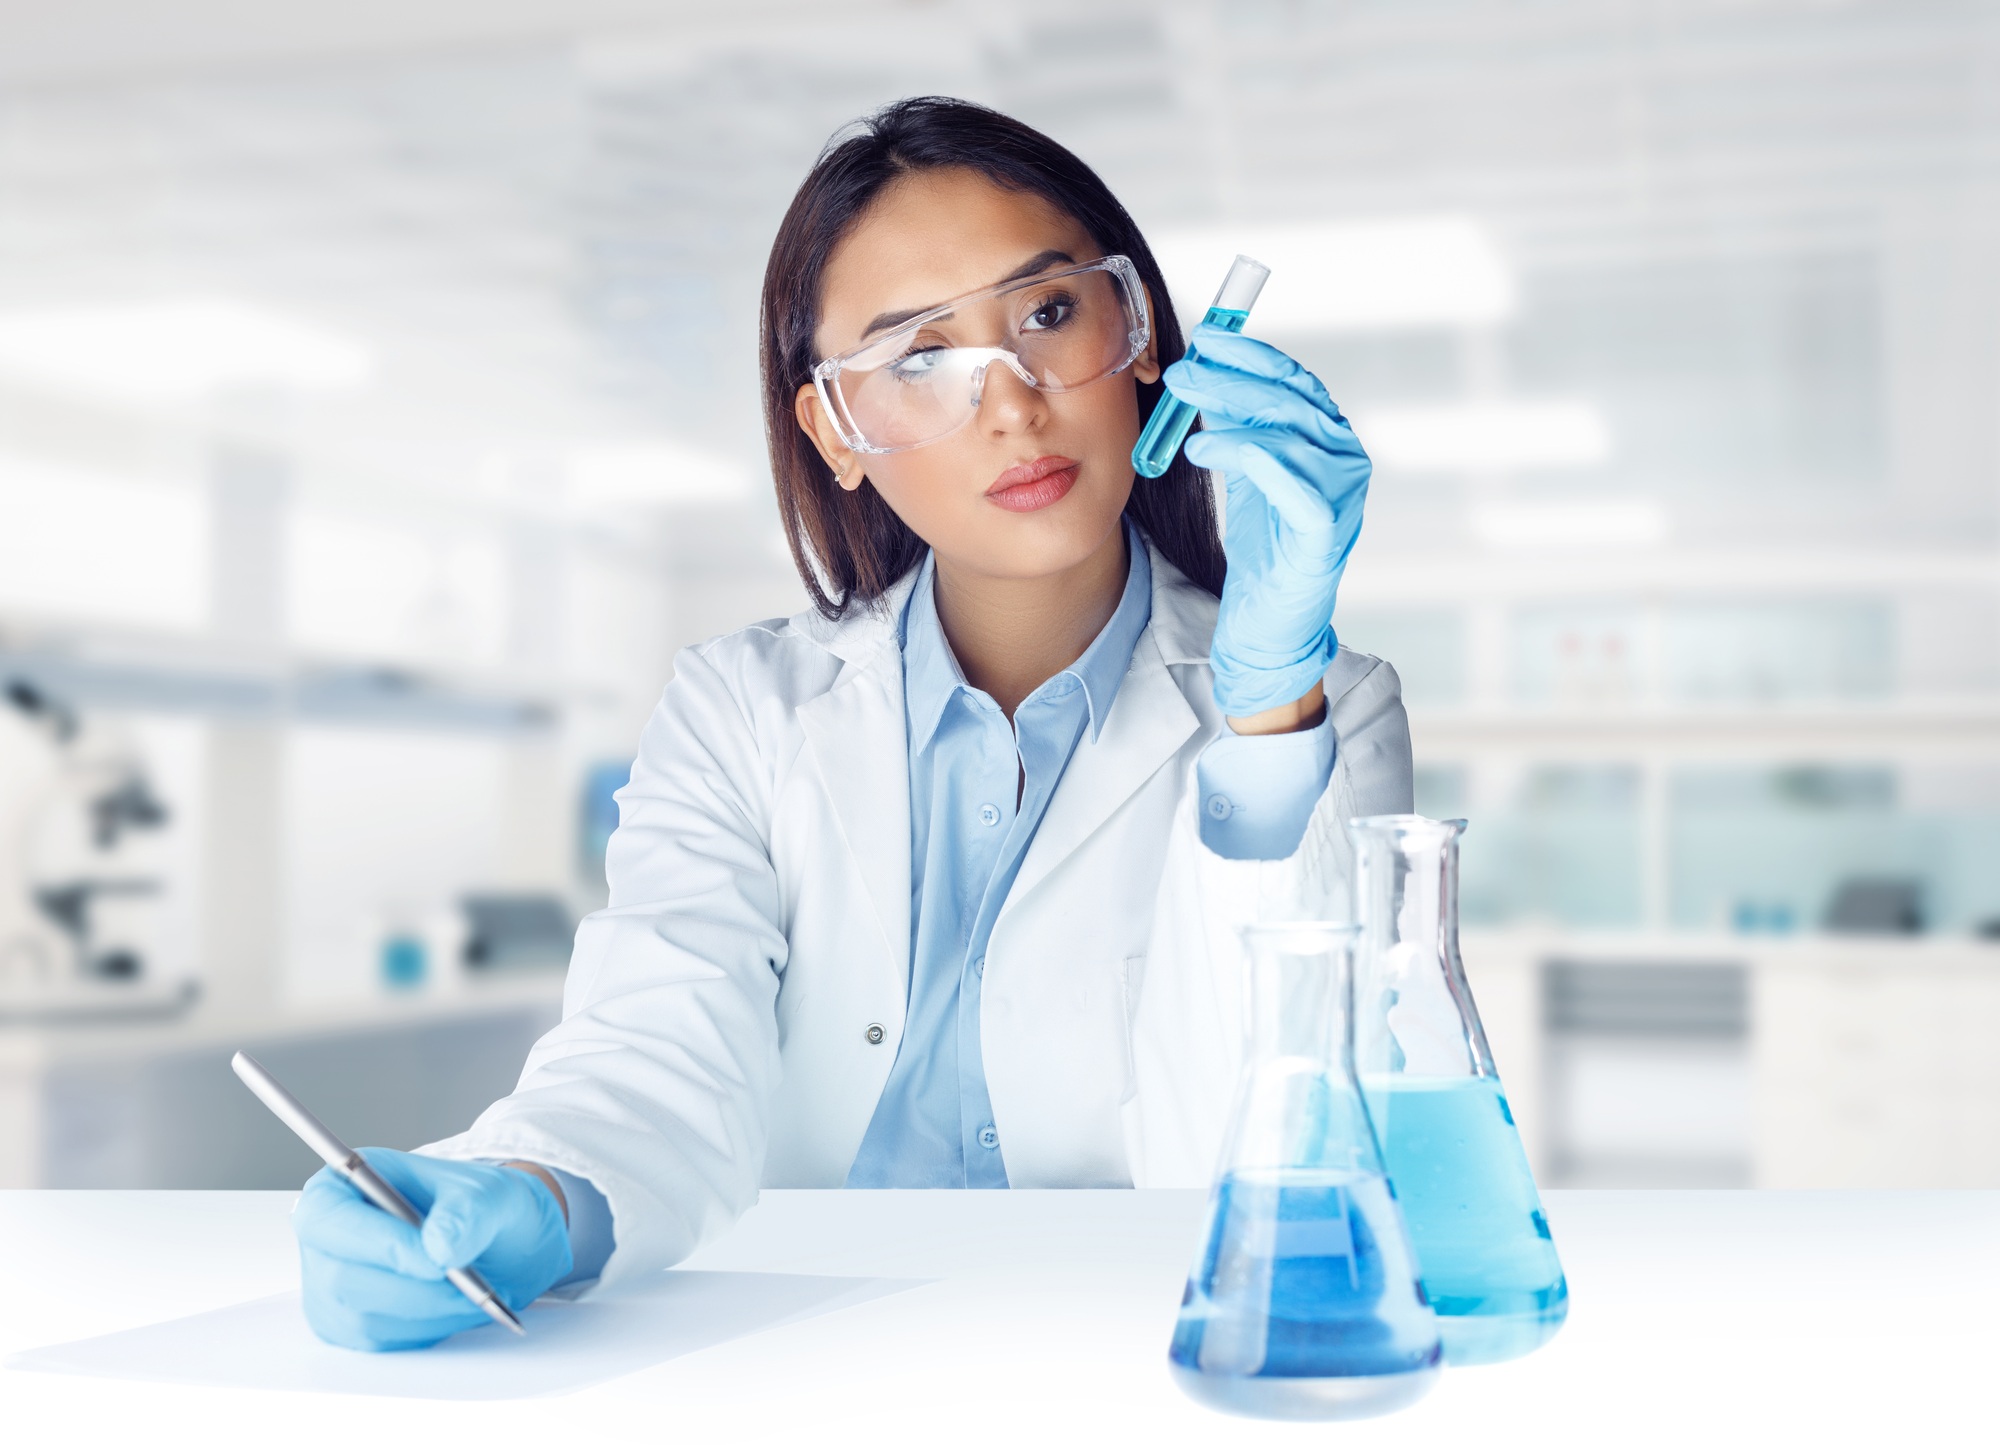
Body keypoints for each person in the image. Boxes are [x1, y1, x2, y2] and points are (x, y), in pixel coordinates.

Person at [292, 96, 1410, 1351]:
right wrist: (542, 1191)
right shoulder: (739, 710)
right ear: (834, 429)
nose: (1011, 403)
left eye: (1048, 314)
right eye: (918, 358)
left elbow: (1279, 1130)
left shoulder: (1321, 704)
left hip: (1130, 1349)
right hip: (792, 1356)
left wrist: (1263, 720)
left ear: (1141, 333)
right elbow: (653, 1045)